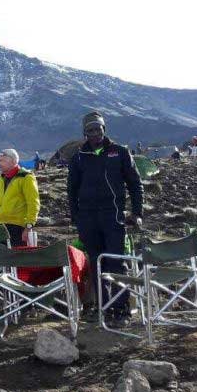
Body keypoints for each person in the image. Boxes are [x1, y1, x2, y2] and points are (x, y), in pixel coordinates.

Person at [68, 111, 143, 327]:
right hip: (89, 219)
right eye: (90, 130)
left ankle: (122, 310)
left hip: (114, 217)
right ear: (84, 133)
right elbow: (72, 190)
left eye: (98, 129)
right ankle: (105, 309)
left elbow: (135, 184)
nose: (94, 134)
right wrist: (76, 219)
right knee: (96, 264)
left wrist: (137, 213)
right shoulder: (79, 157)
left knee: (116, 262)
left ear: (104, 129)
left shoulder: (119, 152)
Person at [0, 149, 40, 247]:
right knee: (3, 259)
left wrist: (29, 226)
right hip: (1, 226)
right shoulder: (2, 178)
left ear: (13, 161)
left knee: (17, 259)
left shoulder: (26, 177)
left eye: (2, 161)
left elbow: (33, 203)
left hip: (17, 227)